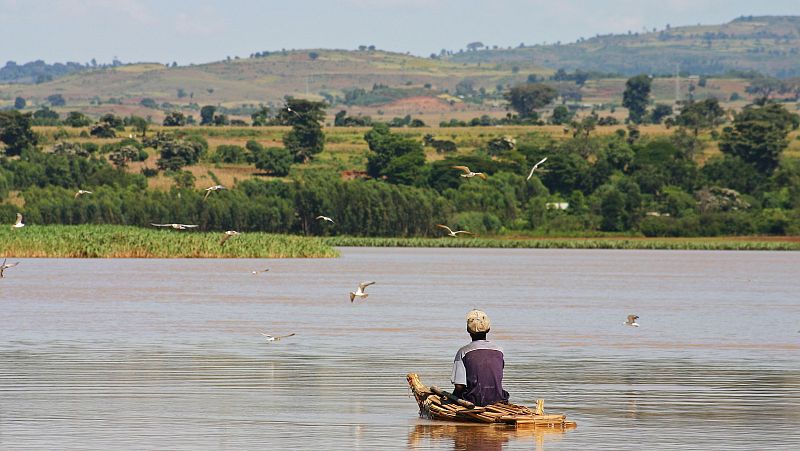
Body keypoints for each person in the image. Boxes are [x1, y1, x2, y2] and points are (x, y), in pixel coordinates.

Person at [451, 309, 509, 406]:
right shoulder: (499, 351)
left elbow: (459, 386)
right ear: (489, 329)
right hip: (498, 400)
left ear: (468, 330)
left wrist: (452, 401)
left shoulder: (463, 352)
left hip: (474, 401)